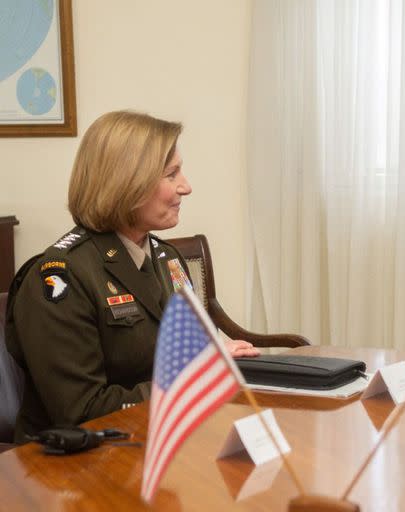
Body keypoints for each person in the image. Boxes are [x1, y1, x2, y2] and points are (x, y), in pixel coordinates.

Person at [5, 111, 259, 443]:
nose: (187, 186)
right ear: (127, 183)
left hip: (155, 438)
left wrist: (217, 356)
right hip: (72, 467)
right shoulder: (59, 278)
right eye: (172, 174)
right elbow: (81, 412)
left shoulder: (168, 258)